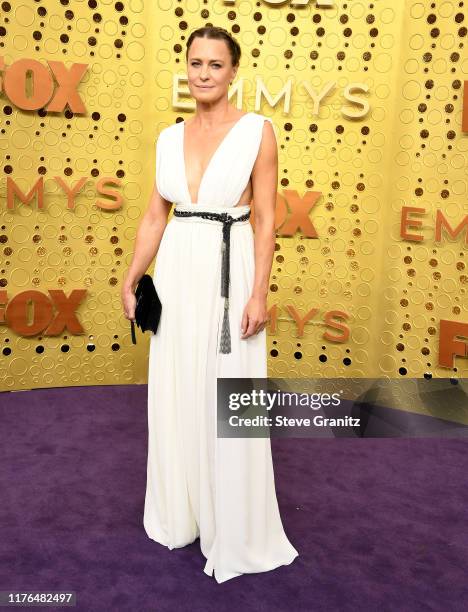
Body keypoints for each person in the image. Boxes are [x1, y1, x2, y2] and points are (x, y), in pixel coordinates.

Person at [122, 25, 298, 584]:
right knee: (177, 386)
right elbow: (156, 216)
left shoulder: (258, 132)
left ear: (233, 72)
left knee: (230, 392)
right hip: (177, 270)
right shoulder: (168, 138)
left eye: (215, 65)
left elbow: (267, 217)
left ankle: (237, 527)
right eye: (195, 63)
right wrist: (131, 278)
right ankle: (183, 513)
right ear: (187, 69)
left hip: (230, 269)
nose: (203, 74)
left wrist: (259, 291)